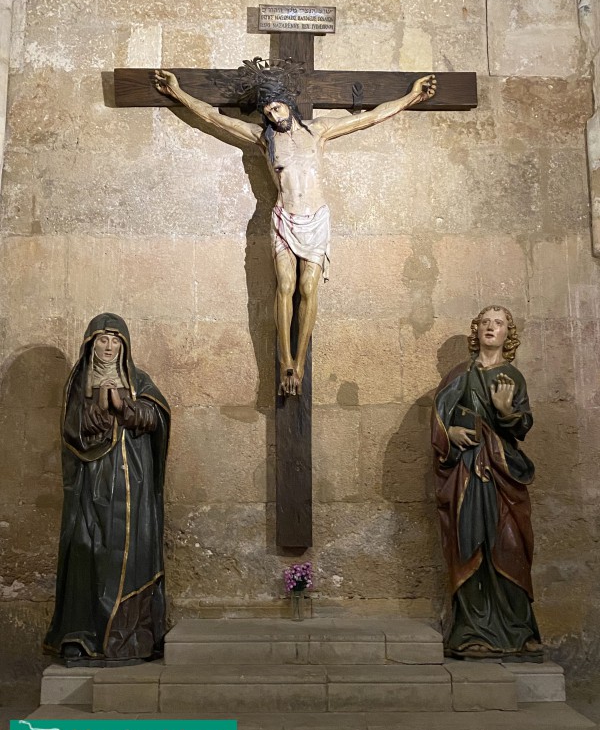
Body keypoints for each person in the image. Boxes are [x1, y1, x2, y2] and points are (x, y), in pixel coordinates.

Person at [153, 61, 436, 396]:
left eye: (276, 107)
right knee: (285, 286)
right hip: (284, 218)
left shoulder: (318, 131)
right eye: (268, 111)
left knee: (308, 287)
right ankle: (285, 360)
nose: (273, 115)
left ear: (287, 102)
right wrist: (176, 91)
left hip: (315, 219)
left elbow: (369, 117)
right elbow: (214, 118)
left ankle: (300, 362)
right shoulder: (263, 139)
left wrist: (411, 97)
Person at [44, 313, 170, 665]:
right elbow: (72, 430)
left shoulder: (138, 379)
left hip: (134, 487)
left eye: (115, 340)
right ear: (90, 344)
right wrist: (95, 411)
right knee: (89, 553)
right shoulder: (78, 384)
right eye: (102, 339)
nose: (109, 346)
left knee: (133, 557)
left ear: (124, 345)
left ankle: (131, 640)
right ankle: (84, 636)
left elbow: (157, 416)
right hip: (93, 483)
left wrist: (125, 408)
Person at [431, 306, 543, 660]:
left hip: (503, 474)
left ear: (508, 333)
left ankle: (519, 629)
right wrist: (451, 432)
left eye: (499, 323)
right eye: (485, 322)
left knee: (510, 545)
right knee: (471, 546)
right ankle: (471, 632)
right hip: (467, 474)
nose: (491, 327)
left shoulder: (512, 377)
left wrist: (506, 409)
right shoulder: (457, 376)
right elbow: (437, 426)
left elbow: (521, 427)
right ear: (475, 329)